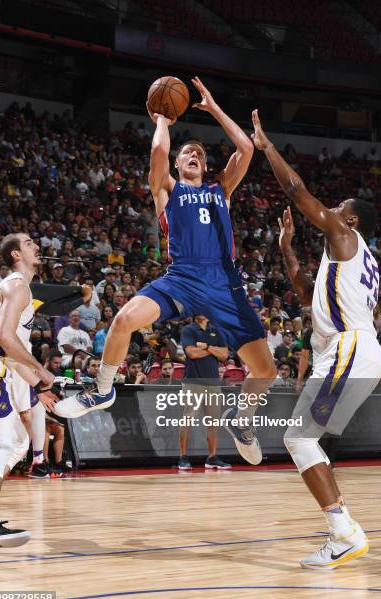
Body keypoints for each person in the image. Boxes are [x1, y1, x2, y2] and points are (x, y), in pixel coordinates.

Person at [56, 77, 276, 457]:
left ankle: (241, 419)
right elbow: (158, 152)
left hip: (225, 284)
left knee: (266, 371)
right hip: (183, 278)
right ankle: (104, 388)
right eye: (188, 153)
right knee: (124, 319)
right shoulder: (167, 189)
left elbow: (245, 147)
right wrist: (162, 117)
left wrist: (213, 107)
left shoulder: (219, 189)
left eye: (200, 155)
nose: (194, 156)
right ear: (177, 162)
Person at [253, 102, 381, 571]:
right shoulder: (349, 260)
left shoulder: (346, 238)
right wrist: (286, 249)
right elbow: (306, 293)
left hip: (349, 348)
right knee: (303, 439)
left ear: (351, 221)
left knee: (299, 438)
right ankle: (341, 529)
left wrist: (267, 147)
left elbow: (295, 188)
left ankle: (344, 531)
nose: (331, 211)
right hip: (354, 351)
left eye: (339, 209)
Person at [0, 233, 57, 547]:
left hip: (1, 369)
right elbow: (3, 338)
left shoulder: (18, 289)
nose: (37, 246)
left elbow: (12, 352)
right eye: (29, 243)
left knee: (14, 441)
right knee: (5, 441)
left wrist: (38, 385)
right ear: (16, 254)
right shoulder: (18, 287)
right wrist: (41, 370)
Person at [179, 316, 230, 470]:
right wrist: (214, 350)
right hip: (193, 381)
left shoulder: (217, 330)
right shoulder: (189, 329)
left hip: (213, 382)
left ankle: (212, 457)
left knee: (213, 422)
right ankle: (183, 456)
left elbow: (224, 355)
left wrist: (206, 347)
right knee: (188, 419)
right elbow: (192, 353)